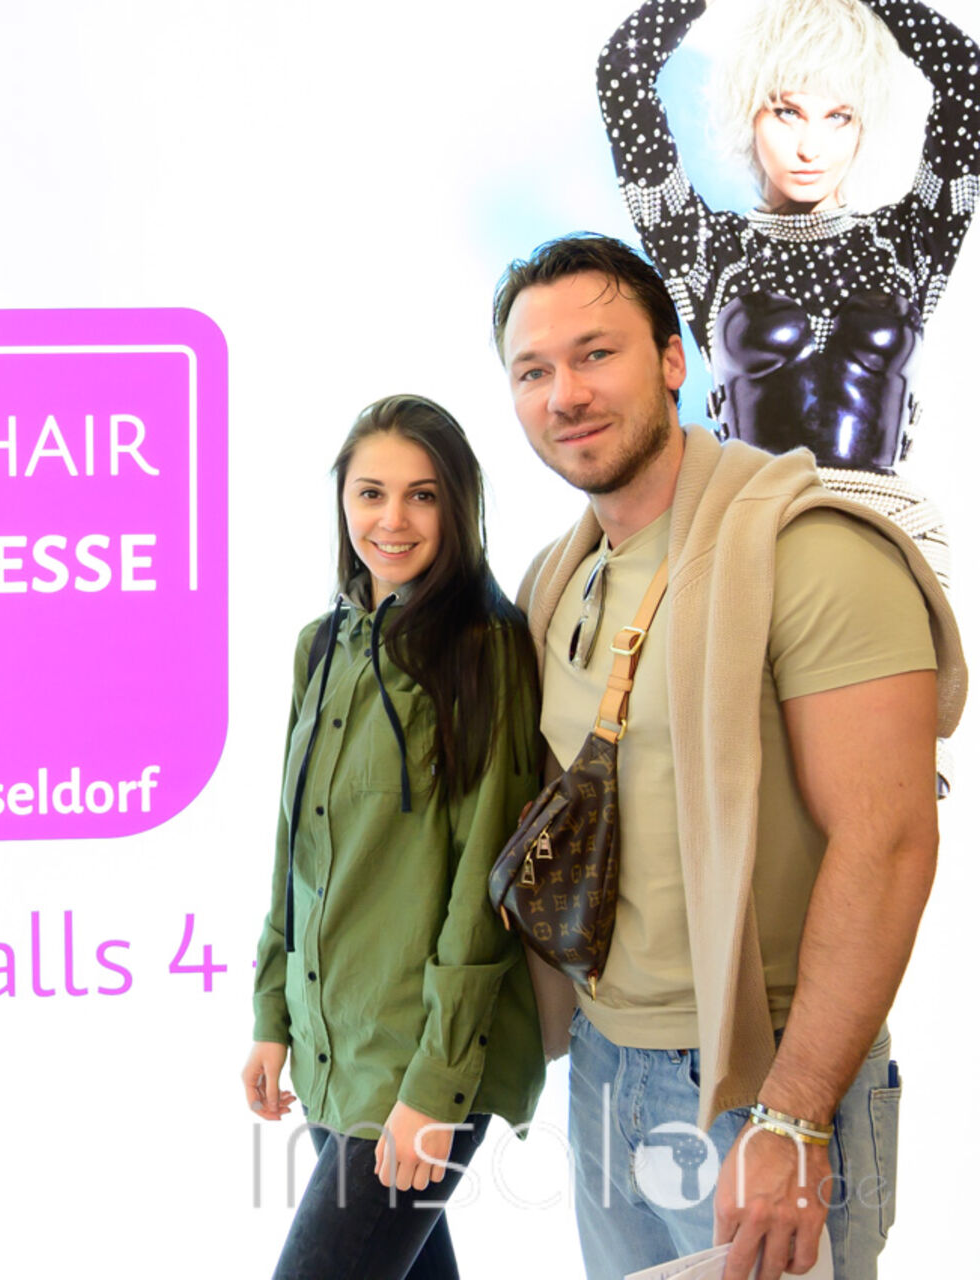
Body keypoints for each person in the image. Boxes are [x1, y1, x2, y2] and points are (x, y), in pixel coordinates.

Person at [493, 233, 962, 1280]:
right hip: (605, 1063)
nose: (567, 394)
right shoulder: (558, 580)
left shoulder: (811, 550)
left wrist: (793, 1115)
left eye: (596, 354)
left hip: (763, 1082)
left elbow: (888, 839)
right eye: (533, 371)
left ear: (674, 359)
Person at [243, 395, 545, 1279]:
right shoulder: (321, 646)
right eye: (371, 493)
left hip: (421, 1056)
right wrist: (272, 1014)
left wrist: (434, 1086)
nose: (393, 520)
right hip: (332, 1040)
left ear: (459, 505)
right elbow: (294, 851)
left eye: (422, 496)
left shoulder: (487, 649)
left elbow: (484, 885)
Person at [598, 0, 980, 589]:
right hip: (753, 536)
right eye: (787, 112)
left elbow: (963, 71)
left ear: (862, 123)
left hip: (890, 538)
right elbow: (623, 69)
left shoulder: (909, 245)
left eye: (838, 117)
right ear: (749, 113)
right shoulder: (706, 250)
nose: (810, 146)